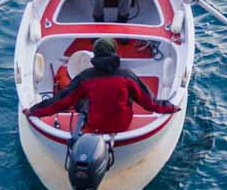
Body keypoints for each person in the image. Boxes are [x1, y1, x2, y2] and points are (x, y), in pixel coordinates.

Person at [24, 38, 179, 134]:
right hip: (123, 124)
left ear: (95, 55)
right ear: (114, 52)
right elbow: (149, 102)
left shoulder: (84, 78)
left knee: (77, 97)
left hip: (95, 125)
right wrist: (170, 107)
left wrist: (33, 111)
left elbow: (60, 101)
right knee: (127, 94)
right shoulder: (127, 76)